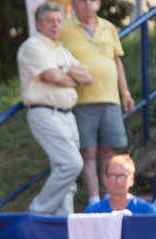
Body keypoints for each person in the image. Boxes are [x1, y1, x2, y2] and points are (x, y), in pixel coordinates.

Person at [18, 3, 93, 215]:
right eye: (50, 21)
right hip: (45, 112)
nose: (56, 25)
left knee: (65, 174)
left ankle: (63, 222)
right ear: (38, 24)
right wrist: (70, 77)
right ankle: (37, 212)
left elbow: (87, 77)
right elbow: (53, 77)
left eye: (59, 21)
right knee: (72, 164)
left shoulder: (62, 51)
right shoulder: (32, 47)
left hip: (68, 115)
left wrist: (65, 69)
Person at [60, 0, 135, 206]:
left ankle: (111, 198)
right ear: (73, 4)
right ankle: (94, 201)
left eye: (91, 0)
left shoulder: (108, 27)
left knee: (109, 152)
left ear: (99, 4)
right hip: (81, 100)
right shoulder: (63, 28)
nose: (86, 4)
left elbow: (117, 61)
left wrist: (125, 93)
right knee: (88, 152)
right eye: (81, 0)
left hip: (110, 98)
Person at [84, 154, 156, 214]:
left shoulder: (147, 211)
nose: (118, 181)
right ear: (105, 180)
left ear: (131, 180)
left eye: (122, 176)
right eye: (113, 176)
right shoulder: (93, 212)